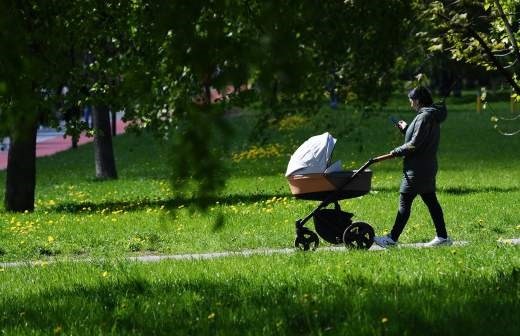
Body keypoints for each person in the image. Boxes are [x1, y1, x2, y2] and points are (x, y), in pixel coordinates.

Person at [374, 86, 451, 247]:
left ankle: (392, 239)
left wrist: (396, 151)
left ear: (417, 100)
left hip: (417, 168)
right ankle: (443, 237)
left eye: (411, 101)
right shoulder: (429, 115)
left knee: (405, 201)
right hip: (427, 165)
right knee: (431, 200)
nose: (410, 104)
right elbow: (420, 137)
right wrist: (406, 129)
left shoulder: (424, 117)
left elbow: (415, 144)